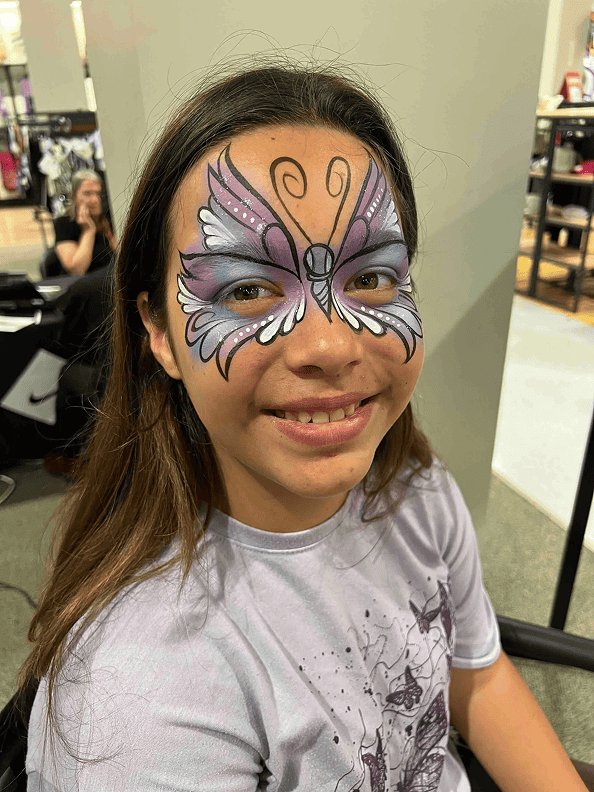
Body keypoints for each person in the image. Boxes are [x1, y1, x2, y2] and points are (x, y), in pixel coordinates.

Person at [20, 63, 588, 792]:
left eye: (371, 278)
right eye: (249, 289)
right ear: (159, 330)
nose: (331, 345)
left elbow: (477, 677)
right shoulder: (142, 696)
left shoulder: (414, 488)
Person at [50, 169, 116, 276]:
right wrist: (89, 231)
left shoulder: (107, 219)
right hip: (83, 284)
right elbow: (77, 269)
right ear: (74, 196)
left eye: (98, 194)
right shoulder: (64, 223)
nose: (94, 200)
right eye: (87, 194)